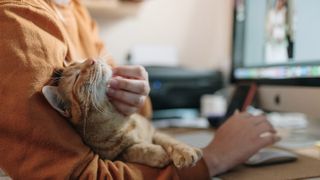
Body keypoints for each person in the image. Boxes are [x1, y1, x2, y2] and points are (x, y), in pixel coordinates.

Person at [0, 0, 278, 179]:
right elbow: (79, 176)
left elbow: (135, 119)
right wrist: (213, 159)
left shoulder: (75, 10)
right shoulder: (16, 23)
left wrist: (131, 99)